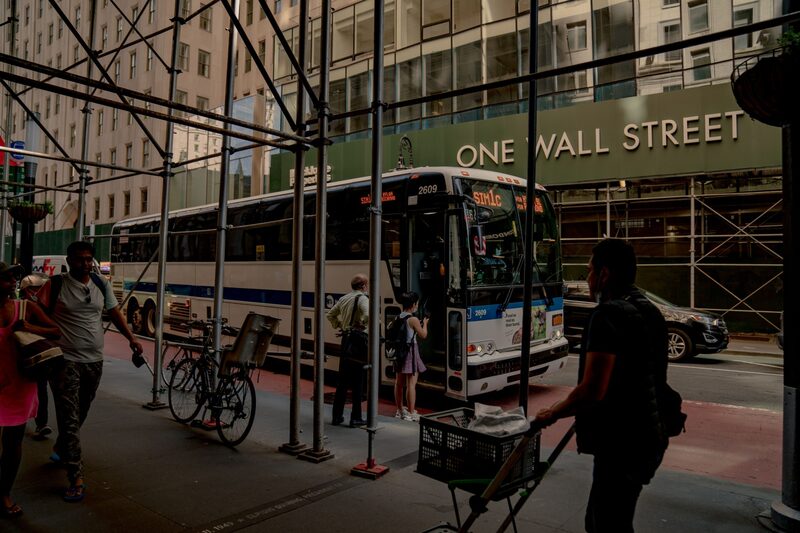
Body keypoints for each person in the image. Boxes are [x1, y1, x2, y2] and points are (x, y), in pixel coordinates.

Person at [535, 239, 668, 533]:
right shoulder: (650, 311)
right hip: (650, 435)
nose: (587, 278)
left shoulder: (607, 315)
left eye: (589, 271)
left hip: (622, 442)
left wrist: (552, 413)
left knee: (604, 523)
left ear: (604, 274)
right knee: (614, 519)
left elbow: (592, 389)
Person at [39, 241, 143, 503]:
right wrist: (49, 337)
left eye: (89, 259)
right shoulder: (56, 284)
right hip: (65, 360)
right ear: (69, 260)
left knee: (81, 409)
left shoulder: (100, 283)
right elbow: (37, 313)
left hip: (94, 360)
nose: (85, 263)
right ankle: (76, 476)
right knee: (69, 417)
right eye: (79, 259)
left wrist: (131, 338)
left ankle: (63, 447)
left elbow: (114, 312)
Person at [0, 262, 61, 518]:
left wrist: (29, 327)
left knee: (13, 444)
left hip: (19, 386)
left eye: (13, 277)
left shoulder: (25, 308)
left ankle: (4, 493)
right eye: (6, 278)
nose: (13, 281)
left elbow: (55, 331)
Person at [326, 274, 369, 428]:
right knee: (358, 381)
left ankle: (337, 416)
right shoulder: (363, 299)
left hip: (346, 341)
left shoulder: (344, 299)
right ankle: (356, 418)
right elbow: (368, 315)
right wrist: (361, 324)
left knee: (342, 381)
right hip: (358, 342)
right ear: (363, 285)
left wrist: (341, 326)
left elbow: (330, 314)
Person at [19, 274, 53, 440]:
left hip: (36, 353)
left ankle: (42, 424)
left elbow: (53, 329)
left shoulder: (41, 308)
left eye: (39, 289)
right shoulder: (19, 305)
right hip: (17, 354)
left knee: (41, 388)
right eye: (33, 289)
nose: (37, 292)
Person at [393, 291, 428, 422]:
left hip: (399, 352)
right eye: (417, 303)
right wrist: (425, 323)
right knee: (411, 384)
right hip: (410, 351)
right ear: (413, 304)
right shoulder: (413, 319)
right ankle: (412, 412)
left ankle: (400, 410)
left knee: (398, 383)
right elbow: (423, 335)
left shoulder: (399, 316)